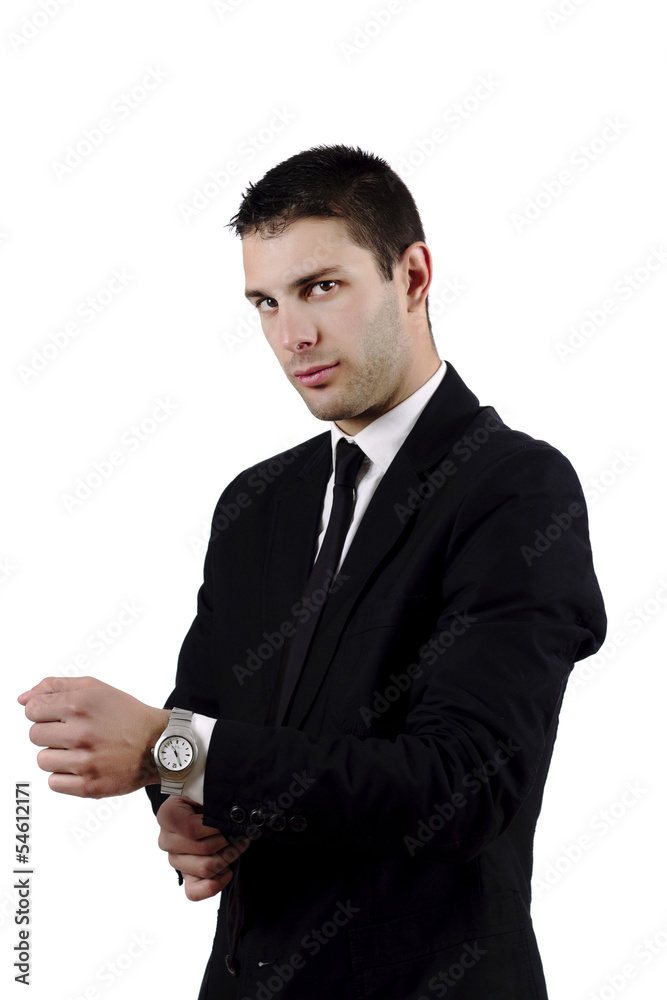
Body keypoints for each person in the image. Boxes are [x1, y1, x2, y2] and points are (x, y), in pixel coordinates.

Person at [19, 145, 606, 999]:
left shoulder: (515, 489)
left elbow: (461, 784)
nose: (292, 335)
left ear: (412, 275)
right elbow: (207, 723)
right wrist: (181, 809)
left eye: (320, 287)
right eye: (266, 301)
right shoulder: (256, 503)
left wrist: (164, 750)